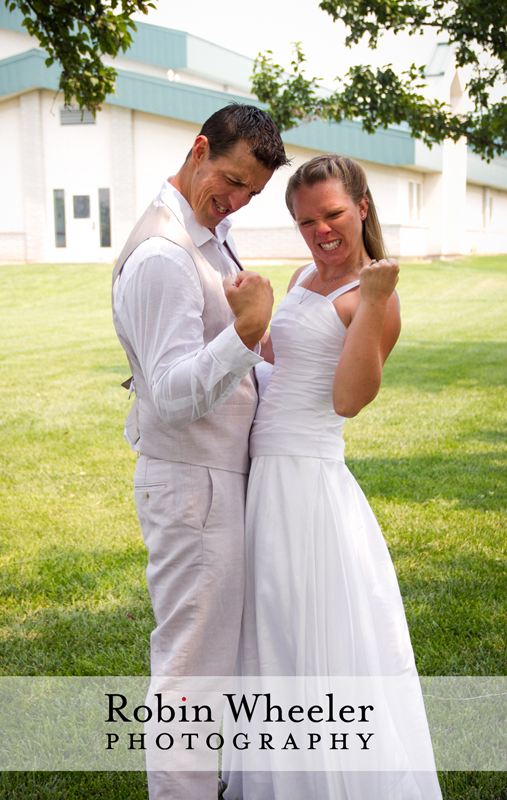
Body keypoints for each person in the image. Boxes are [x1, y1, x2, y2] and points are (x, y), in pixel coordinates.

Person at [223, 154, 442, 799]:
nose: (321, 231)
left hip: (307, 485)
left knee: (311, 632)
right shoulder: (301, 278)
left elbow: (348, 398)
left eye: (334, 214)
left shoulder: (374, 298)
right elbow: (275, 365)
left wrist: (373, 299)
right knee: (269, 630)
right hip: (262, 477)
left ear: (363, 207)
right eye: (306, 221)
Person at [111, 104, 289, 800]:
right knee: (191, 672)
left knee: (212, 663)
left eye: (251, 192)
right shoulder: (163, 255)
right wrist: (244, 333)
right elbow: (171, 394)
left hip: (215, 480)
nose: (236, 200)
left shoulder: (207, 232)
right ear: (198, 147)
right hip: (193, 488)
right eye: (231, 180)